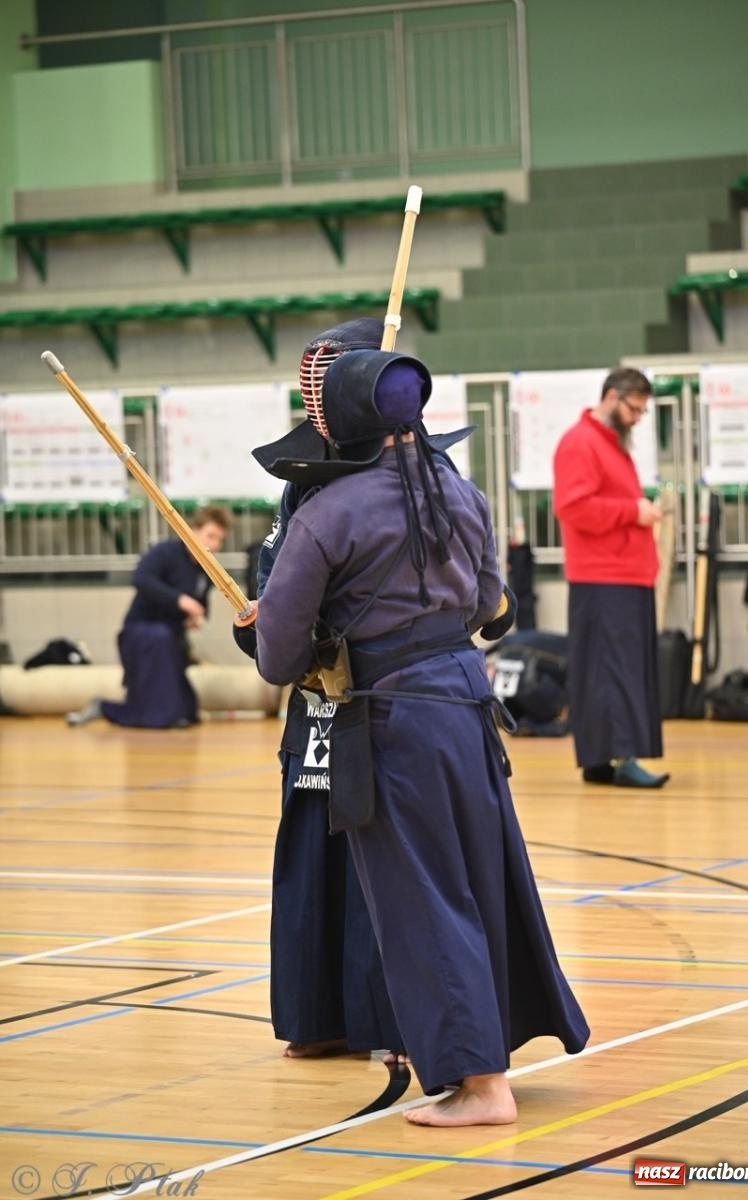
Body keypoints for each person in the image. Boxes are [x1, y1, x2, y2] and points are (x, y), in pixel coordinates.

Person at [253, 346, 590, 1126]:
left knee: (421, 899)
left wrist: (286, 627)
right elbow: (483, 602)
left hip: (392, 721)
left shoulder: (325, 511)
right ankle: (486, 1056)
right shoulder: (456, 489)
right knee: (474, 881)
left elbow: (278, 655)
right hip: (465, 706)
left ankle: (480, 1085)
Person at [236, 318, 404, 1060]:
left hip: (394, 703)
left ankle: (397, 1021)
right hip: (314, 702)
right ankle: (319, 1013)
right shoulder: (302, 490)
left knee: (389, 863)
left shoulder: (420, 483)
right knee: (313, 854)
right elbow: (277, 593)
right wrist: (262, 621)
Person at [552, 367, 670, 789]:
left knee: (607, 670)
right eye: (635, 408)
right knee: (615, 671)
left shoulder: (610, 444)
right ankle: (622, 756)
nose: (638, 417)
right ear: (612, 397)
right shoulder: (581, 443)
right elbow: (573, 508)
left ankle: (601, 758)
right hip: (605, 576)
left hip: (623, 574)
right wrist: (633, 511)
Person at [66, 504, 231, 729]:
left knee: (187, 711)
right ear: (194, 531)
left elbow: (201, 606)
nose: (214, 544)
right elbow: (141, 578)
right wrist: (179, 600)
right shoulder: (165, 552)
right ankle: (106, 707)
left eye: (219, 540)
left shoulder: (206, 570)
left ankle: (111, 708)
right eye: (210, 536)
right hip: (142, 633)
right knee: (162, 713)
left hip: (170, 639)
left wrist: (196, 618)